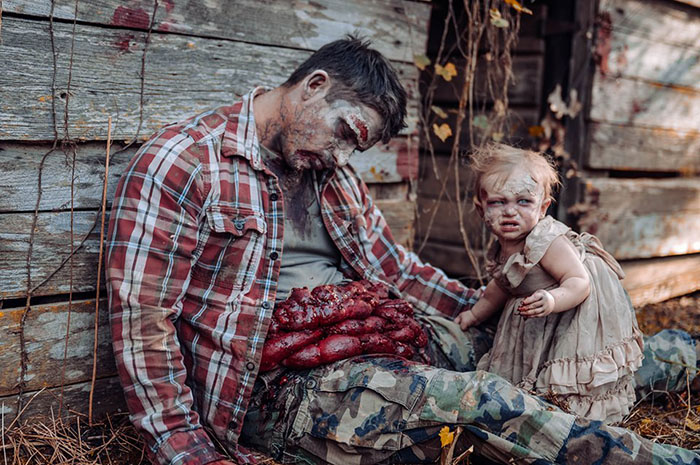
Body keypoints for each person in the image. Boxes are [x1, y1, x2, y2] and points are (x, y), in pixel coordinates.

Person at [106, 36, 700, 465]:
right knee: (489, 397)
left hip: (383, 326)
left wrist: (490, 310)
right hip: (285, 382)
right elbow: (142, 322)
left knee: (538, 351)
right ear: (314, 87)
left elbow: (396, 269)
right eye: (346, 134)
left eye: (355, 149)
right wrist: (186, 451)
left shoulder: (329, 175)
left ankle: (683, 355)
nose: (343, 159)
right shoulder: (183, 165)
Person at [454, 144, 645, 423]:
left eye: (523, 202)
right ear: (481, 207)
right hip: (542, 307)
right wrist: (474, 314)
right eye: (498, 202)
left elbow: (580, 283)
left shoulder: (548, 242)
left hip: (574, 305)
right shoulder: (503, 245)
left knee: (571, 368)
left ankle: (577, 414)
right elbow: (502, 285)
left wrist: (553, 299)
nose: (510, 212)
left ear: (543, 207)